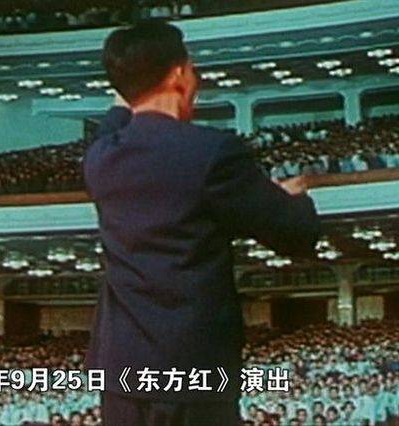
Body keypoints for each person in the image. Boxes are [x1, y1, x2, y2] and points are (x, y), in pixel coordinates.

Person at [84, 20, 321, 425]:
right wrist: (293, 198)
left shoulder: (100, 158)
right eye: (192, 68)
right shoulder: (212, 152)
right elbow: (296, 235)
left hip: (122, 377)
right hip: (194, 372)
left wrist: (128, 87)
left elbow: (118, 119)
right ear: (178, 74)